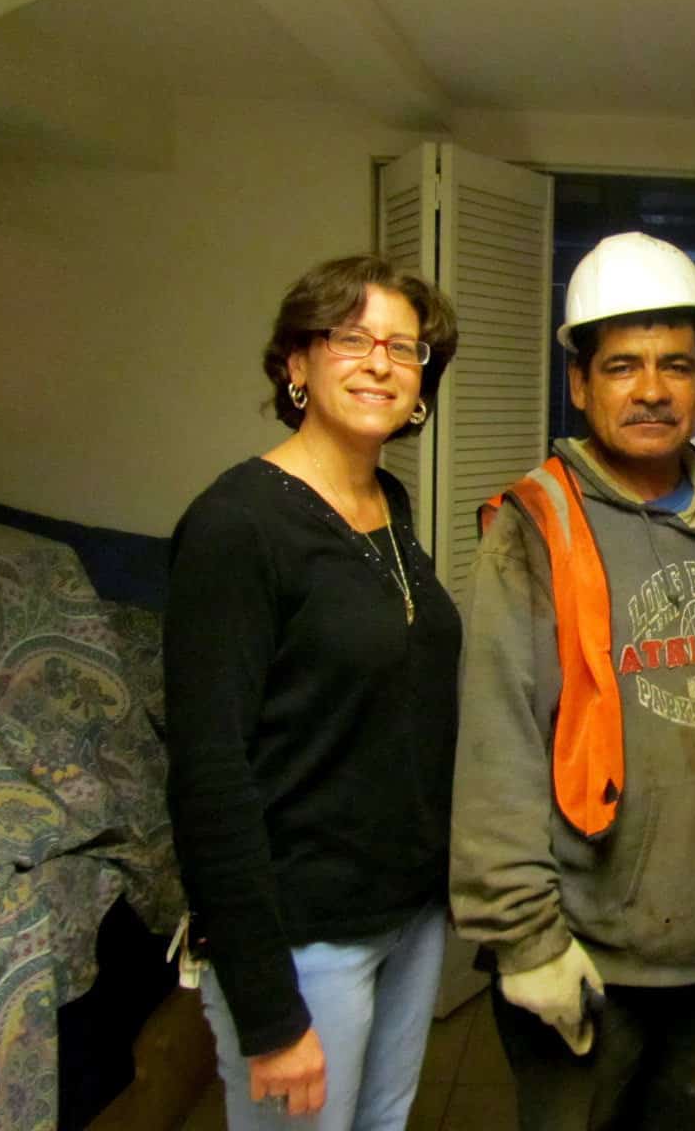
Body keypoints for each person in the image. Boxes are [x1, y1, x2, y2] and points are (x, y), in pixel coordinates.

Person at [450, 231, 695, 1131]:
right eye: (623, 366)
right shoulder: (530, 532)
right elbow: (496, 747)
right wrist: (524, 941)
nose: (651, 390)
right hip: (590, 955)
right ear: (581, 383)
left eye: (676, 365)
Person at [162, 255, 461, 1129]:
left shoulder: (388, 505)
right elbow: (209, 775)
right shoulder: (236, 526)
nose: (380, 363)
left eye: (404, 349)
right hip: (303, 942)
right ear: (297, 364)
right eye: (351, 338)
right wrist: (266, 1009)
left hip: (407, 914)